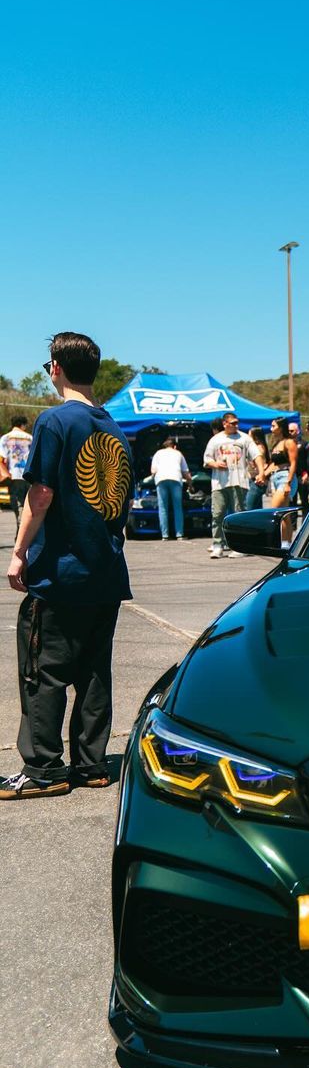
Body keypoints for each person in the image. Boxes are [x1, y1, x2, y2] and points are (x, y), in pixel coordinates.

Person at [2, 332, 133, 798]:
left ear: (55, 368)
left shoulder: (54, 421)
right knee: (94, 672)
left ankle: (43, 770)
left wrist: (19, 551)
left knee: (44, 671)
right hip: (106, 571)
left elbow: (41, 493)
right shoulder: (115, 428)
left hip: (61, 571)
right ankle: (92, 765)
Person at [204, 411, 258, 558]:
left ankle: (240, 546)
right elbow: (207, 460)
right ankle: (217, 545)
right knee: (218, 514)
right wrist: (216, 464)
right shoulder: (215, 440)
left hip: (239, 482)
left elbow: (256, 455)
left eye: (237, 422)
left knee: (238, 515)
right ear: (224, 423)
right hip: (219, 483)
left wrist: (261, 472)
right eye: (233, 423)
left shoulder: (244, 438)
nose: (236, 425)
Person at [149, 435, 190, 540]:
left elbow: (153, 471)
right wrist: (190, 483)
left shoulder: (158, 454)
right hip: (175, 479)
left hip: (161, 480)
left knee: (163, 508)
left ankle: (165, 535)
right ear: (174, 446)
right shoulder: (178, 453)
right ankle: (179, 534)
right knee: (177, 507)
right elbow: (185, 472)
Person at [0, 413, 33, 531]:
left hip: (13, 476)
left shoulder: (5, 438)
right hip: (29, 476)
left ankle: (21, 533)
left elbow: (1, 458)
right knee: (28, 506)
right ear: (23, 425)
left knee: (18, 506)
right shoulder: (30, 438)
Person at [245, 426, 270, 510]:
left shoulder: (258, 448)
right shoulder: (261, 447)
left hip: (257, 480)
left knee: (249, 507)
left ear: (255, 436)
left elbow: (257, 462)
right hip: (255, 480)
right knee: (257, 507)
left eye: (249, 434)